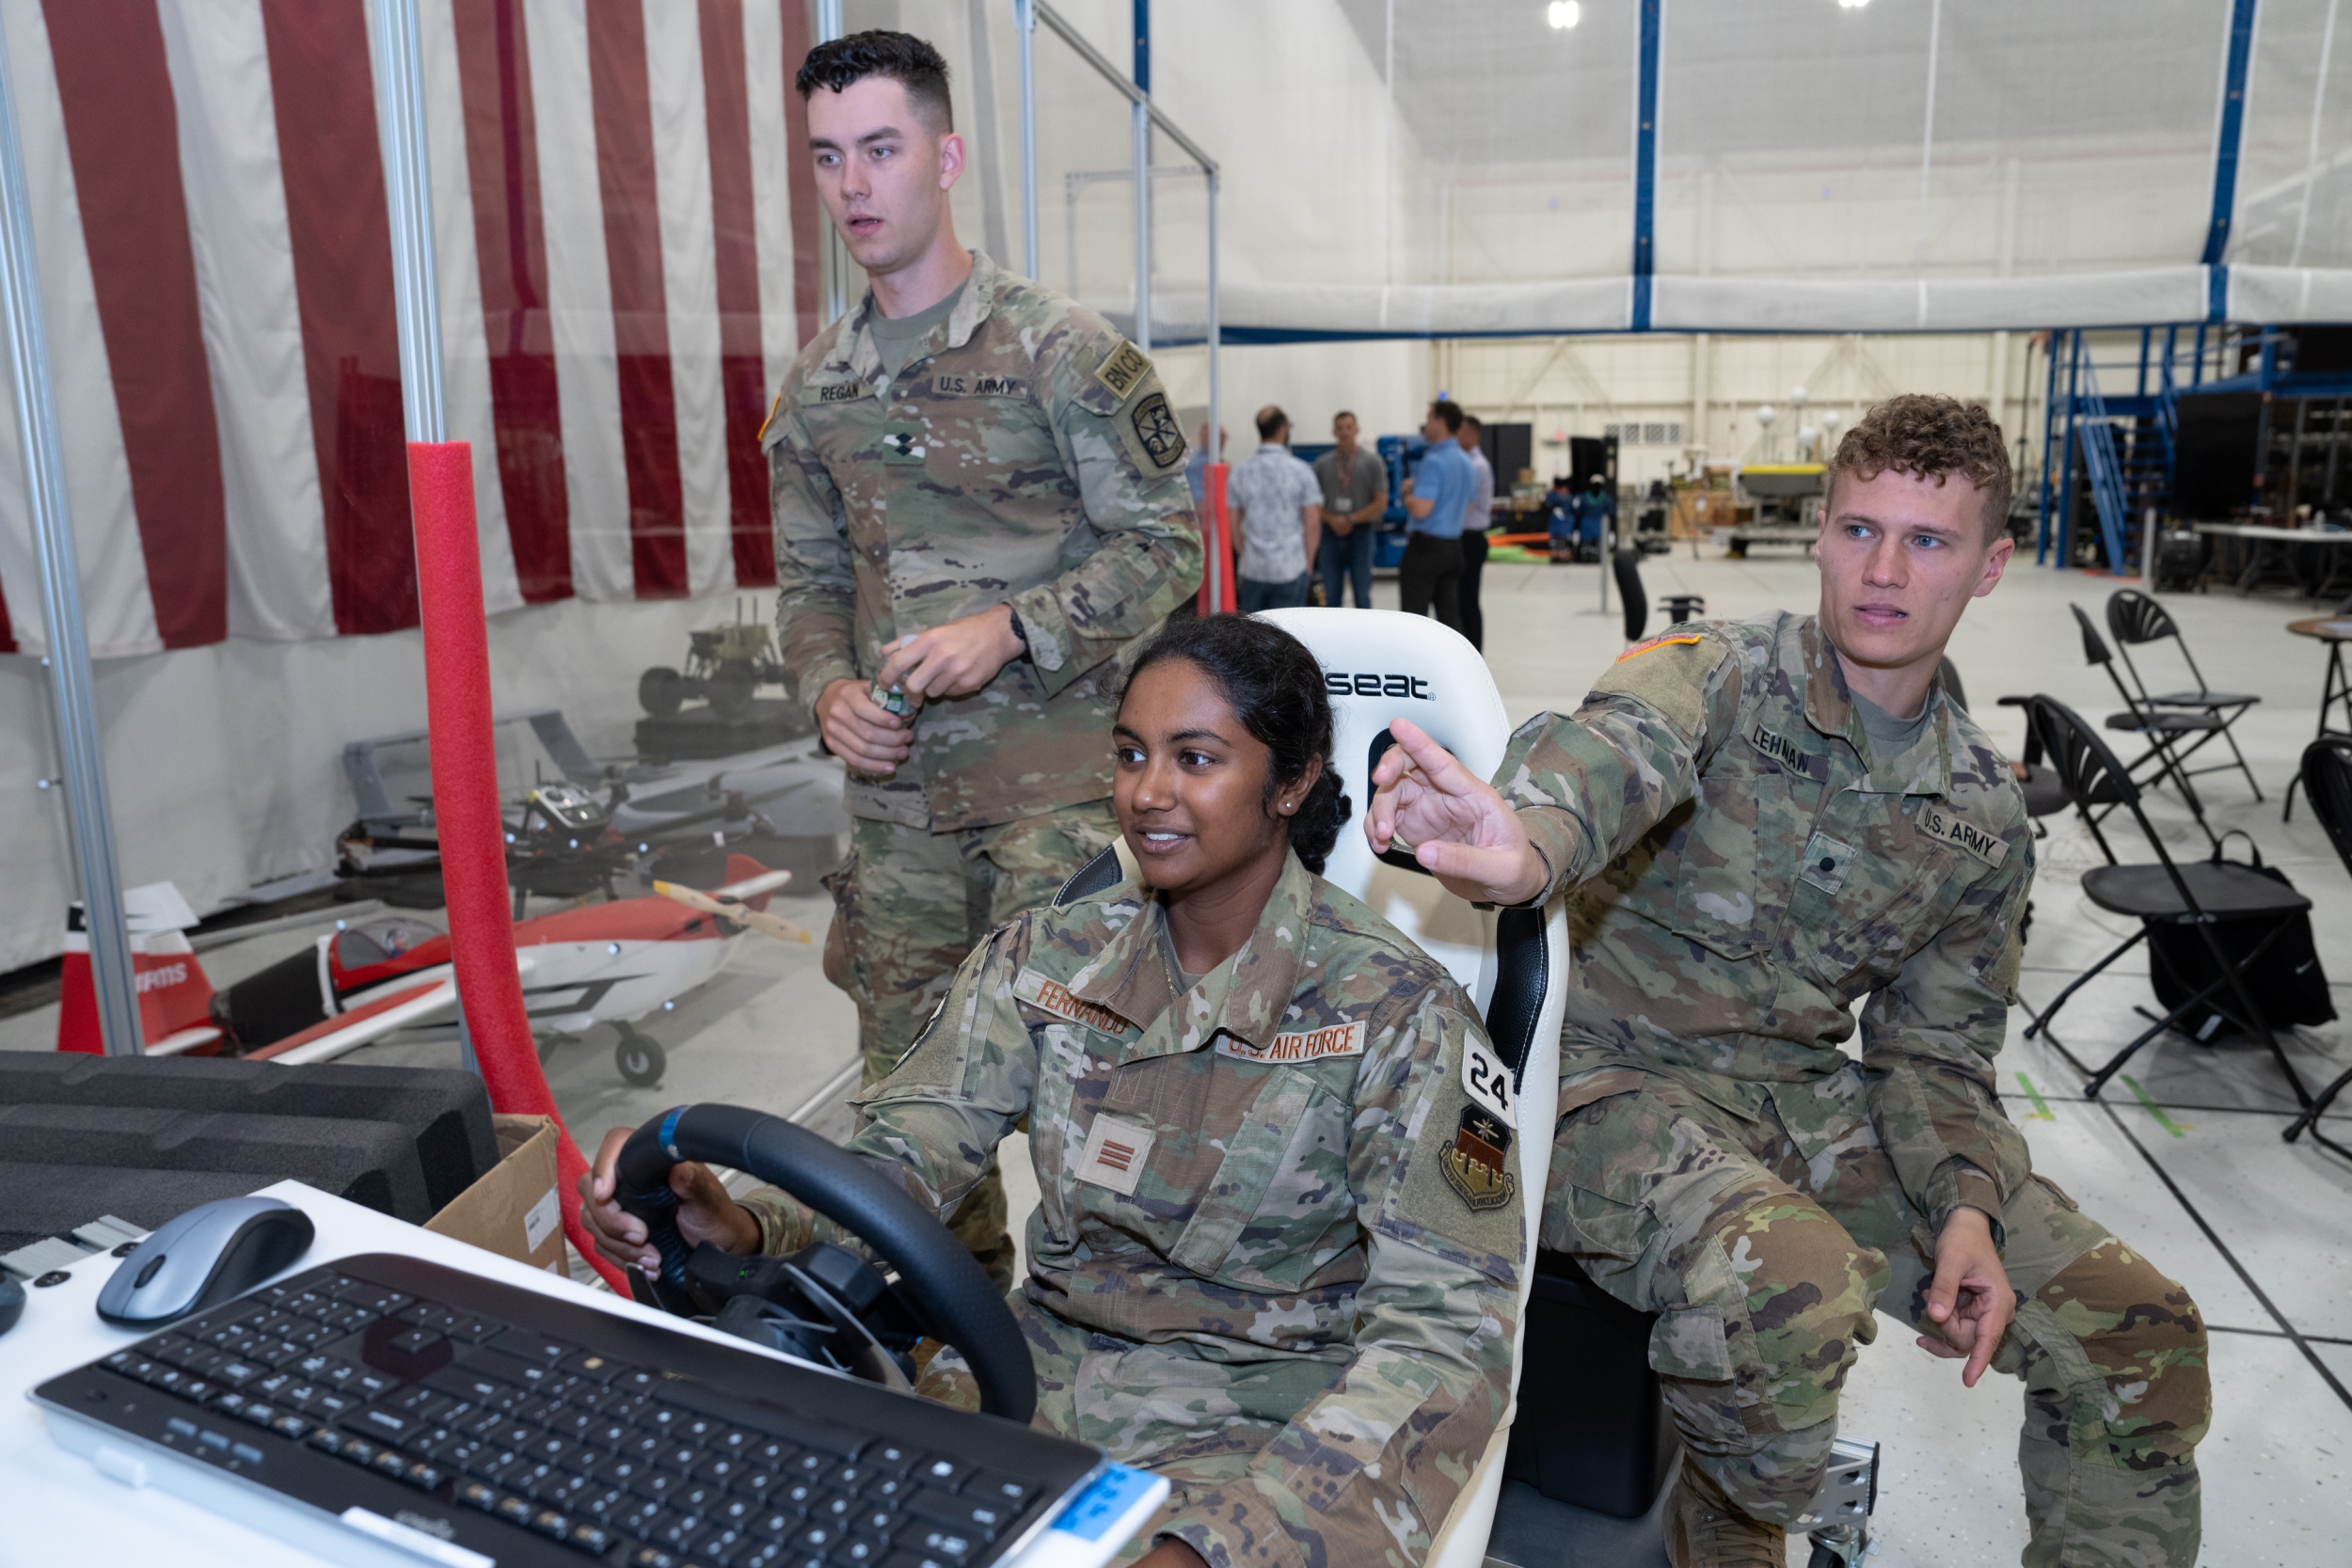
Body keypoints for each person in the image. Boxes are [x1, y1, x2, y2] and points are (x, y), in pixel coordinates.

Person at [1365, 395, 2208, 1568]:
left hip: (1797, 1103)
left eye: (1928, 541)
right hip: (1599, 1083)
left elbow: (1935, 1055)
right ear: (1818, 533)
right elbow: (1613, 744)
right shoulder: (1718, 673)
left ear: (1990, 565)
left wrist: (1963, 1202)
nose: (1882, 568)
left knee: (2136, 1326)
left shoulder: (1980, 809)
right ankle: (1729, 1529)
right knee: (1791, 1284)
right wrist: (1528, 835)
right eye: (1859, 528)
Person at [580, 614, 1523, 1568]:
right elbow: (903, 1152)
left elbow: (1447, 1342)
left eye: (1195, 758)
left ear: (1290, 780)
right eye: (1129, 752)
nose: (1147, 792)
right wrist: (744, 1224)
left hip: (1271, 1439)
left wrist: (1215, 1549)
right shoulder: (1045, 957)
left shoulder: (1400, 1010)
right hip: (1024, 1384)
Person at [766, 31, 1201, 1289]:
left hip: (1056, 800)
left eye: (883, 150)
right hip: (897, 818)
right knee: (910, 1108)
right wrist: (828, 692)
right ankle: (951, 1338)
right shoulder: (815, 394)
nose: (855, 184)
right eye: (828, 158)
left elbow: (1168, 543)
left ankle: (1102, 1350)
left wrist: (1013, 628)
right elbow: (806, 588)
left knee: (1088, 1088)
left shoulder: (1060, 351)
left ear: (945, 156)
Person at [1226, 404, 1321, 613]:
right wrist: (1309, 562)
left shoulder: (1240, 472)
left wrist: (1245, 553)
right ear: (1282, 429)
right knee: (1287, 635)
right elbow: (1311, 523)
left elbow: (1232, 523)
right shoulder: (1301, 471)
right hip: (1291, 566)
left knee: (1251, 635)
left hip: (1253, 568)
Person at [1398, 400, 1470, 629]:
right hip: (1454, 546)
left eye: (1429, 418)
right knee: (1449, 618)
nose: (1425, 424)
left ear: (1440, 421)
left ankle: (1413, 666)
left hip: (1426, 550)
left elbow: (1421, 509)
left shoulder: (1434, 460)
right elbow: (1469, 508)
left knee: (1414, 619)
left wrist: (1407, 494)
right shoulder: (1467, 462)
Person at [1312, 410, 1387, 608]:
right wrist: (1331, 520)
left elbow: (1380, 503)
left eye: (1348, 427)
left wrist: (1350, 519)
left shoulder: (1372, 462)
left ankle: (1363, 638)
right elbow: (1312, 503)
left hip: (1360, 534)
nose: (1344, 432)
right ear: (1334, 432)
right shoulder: (1322, 464)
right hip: (1330, 534)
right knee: (1332, 595)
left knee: (1362, 595)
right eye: (1340, 428)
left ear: (1357, 430)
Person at [1456, 413, 1497, 652]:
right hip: (1465, 538)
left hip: (1470, 538)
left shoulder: (1476, 466)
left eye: (1460, 431)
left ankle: (1474, 653)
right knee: (1462, 601)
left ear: (1472, 433)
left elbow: (1467, 506)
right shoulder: (1468, 462)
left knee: (1468, 601)